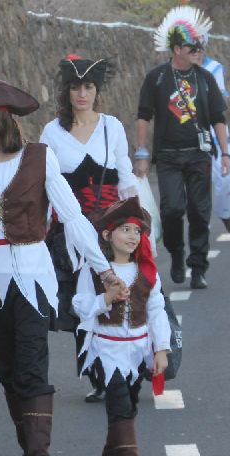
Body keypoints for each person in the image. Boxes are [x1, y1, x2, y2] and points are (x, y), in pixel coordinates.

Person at [0, 78, 122, 456]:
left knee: (31, 367)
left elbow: (73, 217)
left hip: (33, 278)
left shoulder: (41, 158)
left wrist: (103, 270)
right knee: (8, 372)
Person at [39, 55, 141, 403]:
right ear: (66, 91)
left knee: (119, 291)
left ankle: (124, 367)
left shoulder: (112, 127)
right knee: (84, 300)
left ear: (97, 90)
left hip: (112, 227)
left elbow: (125, 176)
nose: (82, 94)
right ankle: (98, 374)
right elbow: (45, 185)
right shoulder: (52, 132)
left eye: (88, 87)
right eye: (75, 87)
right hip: (71, 231)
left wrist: (138, 223)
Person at [72, 199, 169, 456]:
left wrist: (161, 349)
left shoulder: (147, 272)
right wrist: (106, 299)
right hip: (106, 348)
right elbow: (80, 305)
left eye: (137, 231)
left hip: (138, 350)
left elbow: (157, 311)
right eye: (125, 230)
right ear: (107, 235)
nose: (132, 236)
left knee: (130, 402)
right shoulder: (93, 271)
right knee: (119, 402)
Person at [135, 6, 230, 290]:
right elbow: (143, 116)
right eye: (192, 47)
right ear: (176, 49)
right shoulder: (157, 78)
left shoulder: (205, 78)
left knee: (200, 211)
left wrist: (225, 152)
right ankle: (177, 253)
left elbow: (219, 118)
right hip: (168, 157)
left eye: (199, 46)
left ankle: (198, 267)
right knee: (172, 209)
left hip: (199, 155)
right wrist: (142, 153)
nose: (198, 51)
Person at [193, 46, 230, 235]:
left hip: (215, 134)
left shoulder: (214, 68)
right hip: (190, 137)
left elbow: (220, 104)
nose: (196, 51)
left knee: (226, 177)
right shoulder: (170, 73)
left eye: (199, 46)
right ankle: (202, 226)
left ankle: (225, 213)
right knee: (198, 183)